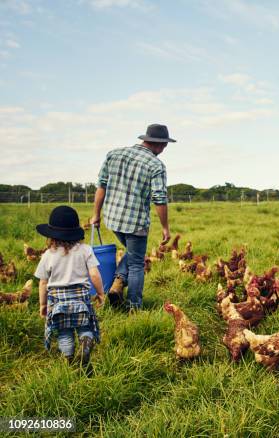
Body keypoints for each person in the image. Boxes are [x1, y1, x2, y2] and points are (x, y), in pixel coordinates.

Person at [91, 124, 175, 311]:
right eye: (164, 146)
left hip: (112, 218)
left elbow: (101, 185)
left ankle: (118, 282)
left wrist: (96, 214)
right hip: (135, 223)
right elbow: (159, 198)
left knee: (131, 253)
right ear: (160, 145)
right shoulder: (156, 165)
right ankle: (134, 307)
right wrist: (165, 227)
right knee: (136, 263)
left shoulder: (114, 154)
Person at [34, 205, 104, 366]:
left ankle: (70, 360)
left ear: (51, 235)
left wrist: (43, 304)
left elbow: (43, 282)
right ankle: (86, 341)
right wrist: (100, 293)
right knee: (84, 327)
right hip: (81, 300)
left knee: (64, 333)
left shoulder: (47, 255)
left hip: (58, 302)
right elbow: (94, 274)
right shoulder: (86, 250)